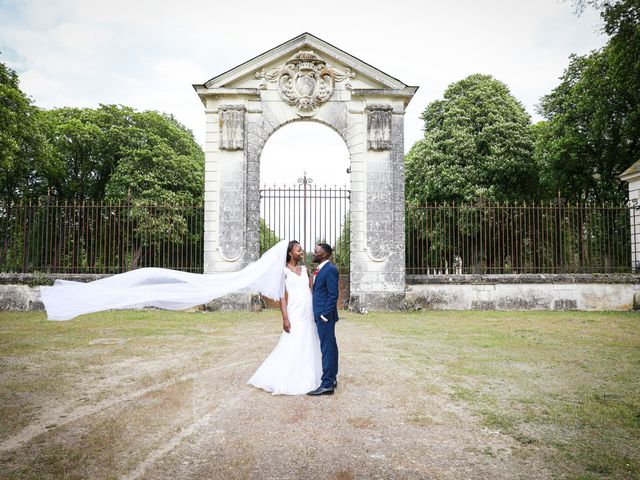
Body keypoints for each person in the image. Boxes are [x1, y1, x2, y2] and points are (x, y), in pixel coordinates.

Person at [247, 240, 322, 395]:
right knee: (294, 340)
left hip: (307, 310)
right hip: (294, 310)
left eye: (301, 250)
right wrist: (285, 318)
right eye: (298, 250)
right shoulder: (283, 271)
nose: (301, 252)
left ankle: (308, 374)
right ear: (290, 253)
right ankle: (288, 376)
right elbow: (282, 297)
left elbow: (311, 291)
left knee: (309, 339)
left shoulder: (305, 269)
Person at [307, 243, 339, 396]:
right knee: (331, 346)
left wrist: (324, 315)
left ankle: (326, 384)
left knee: (327, 349)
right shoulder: (320, 270)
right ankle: (332, 379)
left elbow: (333, 294)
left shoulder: (330, 269)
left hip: (324, 316)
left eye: (316, 251)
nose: (313, 253)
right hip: (321, 315)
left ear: (324, 254)